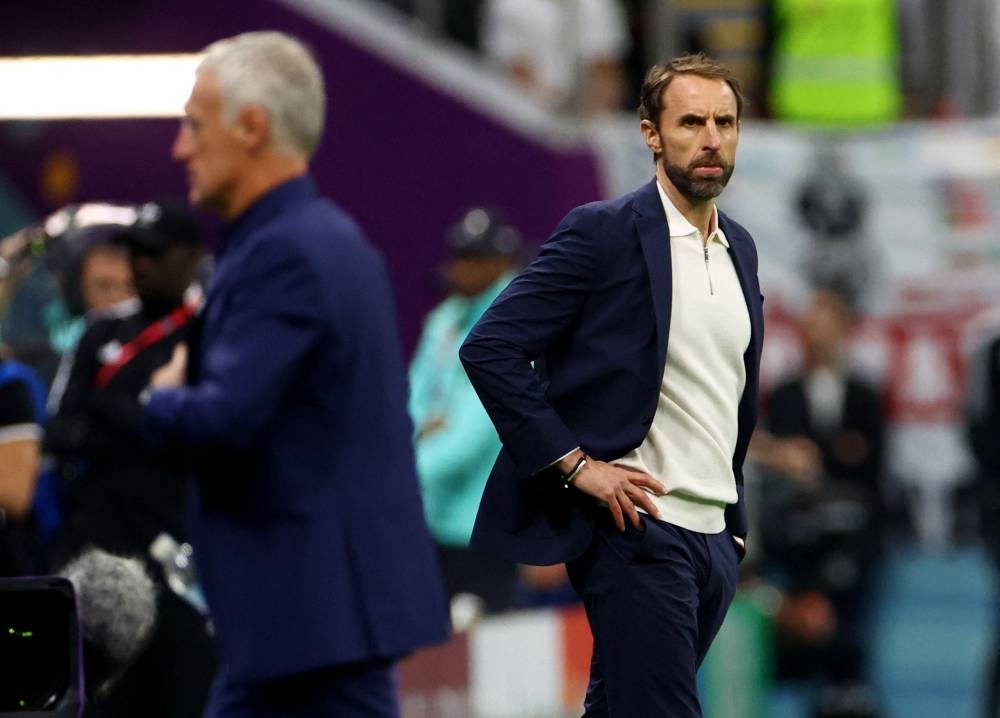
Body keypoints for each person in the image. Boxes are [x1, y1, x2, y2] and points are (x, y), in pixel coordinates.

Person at [139, 31, 449, 718]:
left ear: (251, 127)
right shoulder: (319, 238)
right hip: (303, 627)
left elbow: (225, 418)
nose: (179, 149)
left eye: (194, 125)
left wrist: (157, 399)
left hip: (312, 624)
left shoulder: (283, 252)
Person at [460, 53, 764, 716]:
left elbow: (732, 390)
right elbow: (491, 347)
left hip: (713, 539)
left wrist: (734, 528)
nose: (711, 138)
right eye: (690, 122)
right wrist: (574, 468)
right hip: (639, 534)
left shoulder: (740, 246)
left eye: (725, 122)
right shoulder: (603, 233)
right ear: (651, 134)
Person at [45, 202, 215, 718]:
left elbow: (200, 434)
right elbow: (62, 430)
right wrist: (146, 413)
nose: (139, 265)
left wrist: (111, 415)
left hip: (178, 556)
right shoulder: (99, 333)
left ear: (189, 257)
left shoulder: (209, 332)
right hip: (95, 551)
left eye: (154, 253)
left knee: (181, 695)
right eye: (134, 252)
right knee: (92, 697)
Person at [409, 207, 521, 616]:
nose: (461, 267)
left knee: (485, 655)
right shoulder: (446, 319)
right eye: (460, 255)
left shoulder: (517, 318)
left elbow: (477, 432)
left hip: (486, 523)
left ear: (500, 261)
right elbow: (413, 401)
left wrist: (401, 472)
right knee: (438, 657)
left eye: (474, 257)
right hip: (434, 518)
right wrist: (420, 432)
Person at [482, 0, 630, 114]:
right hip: (525, 117)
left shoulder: (598, 5)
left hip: (587, 123)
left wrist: (588, 119)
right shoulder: (509, 4)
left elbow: (607, 72)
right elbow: (516, 72)